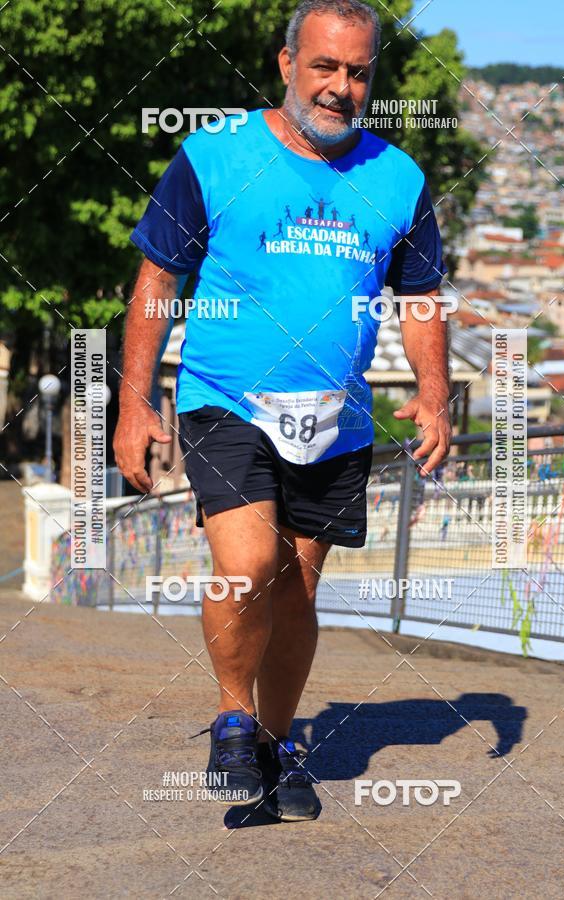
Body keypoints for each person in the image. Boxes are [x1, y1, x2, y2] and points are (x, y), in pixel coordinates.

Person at [114, 0, 451, 822]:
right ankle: (233, 717)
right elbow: (158, 282)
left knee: (297, 590)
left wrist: (435, 396)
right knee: (250, 564)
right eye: (325, 67)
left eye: (359, 71)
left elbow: (422, 299)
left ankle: (273, 739)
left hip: (335, 417)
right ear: (286, 63)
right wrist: (133, 400)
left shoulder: (398, 178)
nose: (341, 88)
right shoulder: (214, 158)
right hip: (225, 401)